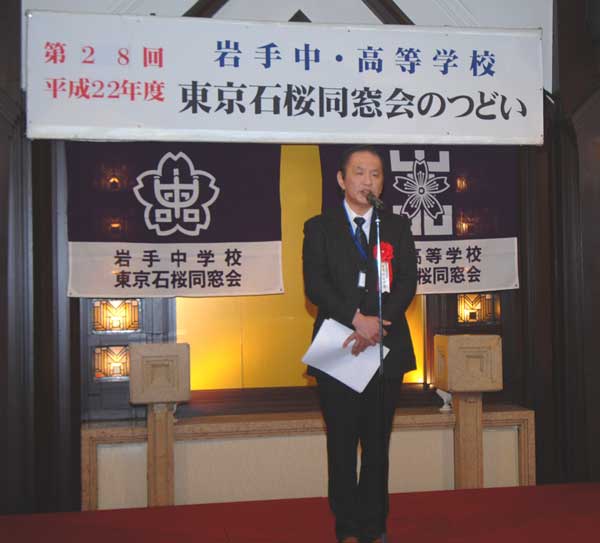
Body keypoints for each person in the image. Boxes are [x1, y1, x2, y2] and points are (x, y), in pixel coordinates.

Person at [302, 145, 417, 543]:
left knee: (377, 445)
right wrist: (356, 319)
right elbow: (316, 285)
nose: (368, 180)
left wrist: (377, 326)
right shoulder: (319, 227)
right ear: (341, 179)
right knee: (341, 443)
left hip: (385, 347)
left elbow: (407, 282)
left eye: (376, 174)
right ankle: (347, 527)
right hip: (340, 345)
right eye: (359, 172)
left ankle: (374, 525)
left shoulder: (396, 226)